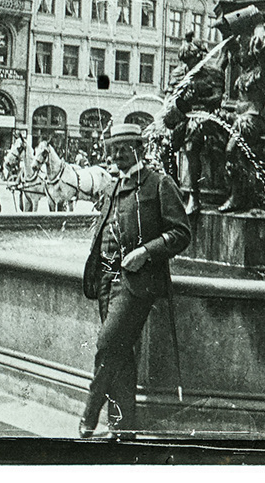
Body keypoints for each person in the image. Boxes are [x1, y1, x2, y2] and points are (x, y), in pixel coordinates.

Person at [80, 124, 191, 439]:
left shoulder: (158, 184)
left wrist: (145, 251)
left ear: (139, 150)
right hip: (106, 281)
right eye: (113, 149)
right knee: (120, 352)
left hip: (136, 283)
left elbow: (182, 233)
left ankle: (88, 416)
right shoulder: (113, 186)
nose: (116, 155)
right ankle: (123, 428)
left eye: (123, 149)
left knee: (106, 345)